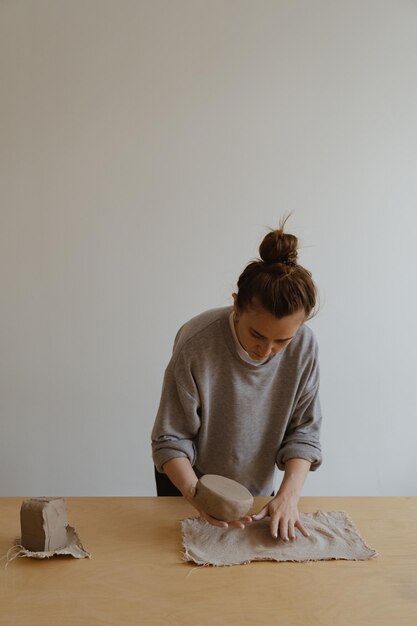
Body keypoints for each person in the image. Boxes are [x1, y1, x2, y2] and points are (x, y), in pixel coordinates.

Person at [151, 215, 322, 541]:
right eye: (257, 335)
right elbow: (170, 439)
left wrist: (287, 496)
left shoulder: (305, 346)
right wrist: (197, 495)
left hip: (257, 486)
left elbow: (304, 432)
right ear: (236, 307)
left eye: (282, 341)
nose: (267, 351)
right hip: (188, 481)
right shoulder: (196, 343)